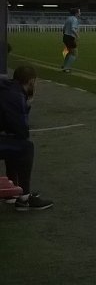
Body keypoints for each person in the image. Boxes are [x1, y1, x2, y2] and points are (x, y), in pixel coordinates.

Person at [0, 65, 54, 211]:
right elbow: (22, 131)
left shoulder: (8, 89)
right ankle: (24, 198)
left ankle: (13, 189)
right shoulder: (15, 96)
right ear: (31, 82)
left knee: (12, 141)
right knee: (25, 147)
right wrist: (28, 104)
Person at [61, 8, 81, 73]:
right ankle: (67, 68)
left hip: (65, 36)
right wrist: (77, 36)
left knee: (69, 52)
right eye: (79, 12)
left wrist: (65, 35)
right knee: (74, 53)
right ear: (76, 13)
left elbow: (64, 28)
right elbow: (73, 29)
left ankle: (64, 65)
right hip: (70, 37)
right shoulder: (75, 19)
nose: (80, 13)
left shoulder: (68, 18)